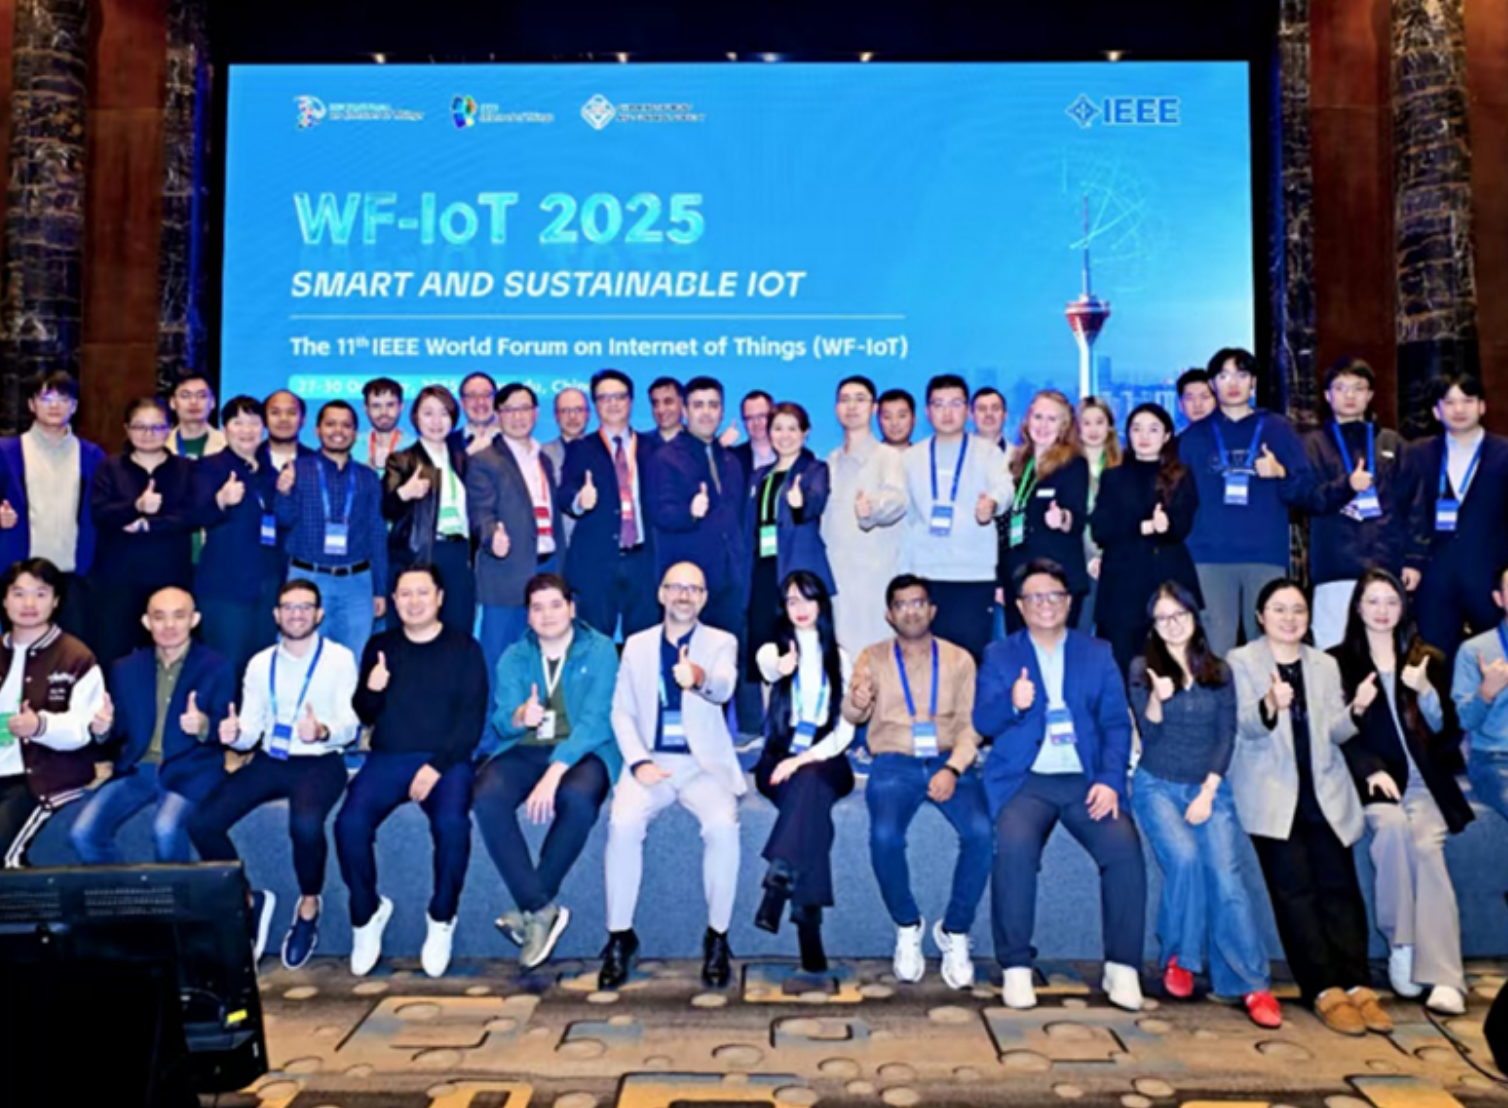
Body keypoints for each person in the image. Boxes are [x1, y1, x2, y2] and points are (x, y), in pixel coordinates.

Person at [975, 558, 1146, 1012]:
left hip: (1084, 780)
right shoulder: (1000, 654)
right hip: (1025, 780)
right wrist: (1012, 704)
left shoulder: (1098, 652)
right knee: (1014, 849)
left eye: (1054, 596)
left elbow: (1115, 724)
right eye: (1034, 597)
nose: (1045, 605)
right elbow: (982, 721)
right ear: (1019, 606)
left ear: (1069, 602)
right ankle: (1015, 966)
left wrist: (1110, 781)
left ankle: (1122, 967)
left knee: (1123, 847)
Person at [1226, 578, 1387, 1036]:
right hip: (1272, 794)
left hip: (1324, 791)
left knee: (1341, 889)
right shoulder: (1241, 661)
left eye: (1298, 610)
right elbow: (1241, 727)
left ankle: (1357, 983)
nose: (1290, 618)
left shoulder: (1324, 664)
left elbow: (1335, 731)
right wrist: (1269, 704)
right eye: (1279, 609)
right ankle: (1322, 988)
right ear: (1260, 616)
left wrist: (1356, 710)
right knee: (1295, 895)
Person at [187, 578, 360, 967]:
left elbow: (350, 724)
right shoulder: (260, 663)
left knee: (306, 824)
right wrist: (234, 734)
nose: (297, 614)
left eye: (305, 607)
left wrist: (323, 730)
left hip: (320, 759)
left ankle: (309, 907)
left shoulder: (339, 659)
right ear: (276, 614)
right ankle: (246, 900)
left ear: (319, 614)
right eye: (289, 607)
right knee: (202, 822)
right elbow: (250, 730)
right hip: (271, 758)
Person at [1128, 583, 1279, 1027]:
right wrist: (1156, 698)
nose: (1173, 625)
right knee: (1186, 858)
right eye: (1163, 618)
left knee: (1227, 879)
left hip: (1210, 786)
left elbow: (1225, 735)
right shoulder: (1142, 667)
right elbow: (1150, 736)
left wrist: (1209, 791)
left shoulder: (1220, 671)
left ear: (1195, 618)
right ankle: (1181, 956)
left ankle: (1251, 984)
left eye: (1180, 615)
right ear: (1153, 626)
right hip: (1157, 785)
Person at [339, 564, 489, 978]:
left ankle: (441, 917)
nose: (414, 601)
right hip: (388, 758)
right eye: (405, 594)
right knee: (349, 824)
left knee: (452, 826)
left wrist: (435, 767)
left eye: (423, 592)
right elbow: (364, 713)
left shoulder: (464, 648)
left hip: (446, 759)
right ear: (394, 600)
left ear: (439, 598)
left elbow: (471, 723)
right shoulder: (380, 646)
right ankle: (365, 914)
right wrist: (372, 689)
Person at [842, 574, 990, 989]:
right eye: (901, 604)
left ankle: (954, 930)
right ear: (889, 615)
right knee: (885, 836)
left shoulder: (959, 659)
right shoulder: (872, 657)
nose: (911, 611)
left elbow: (972, 727)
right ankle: (908, 925)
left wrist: (953, 769)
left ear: (932, 610)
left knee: (982, 833)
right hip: (893, 762)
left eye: (918, 602)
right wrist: (857, 702)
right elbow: (852, 714)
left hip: (947, 758)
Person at [1331, 569, 1469, 1015]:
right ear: (1358, 607)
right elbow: (1336, 735)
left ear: (1403, 607)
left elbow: (1447, 734)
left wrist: (1425, 693)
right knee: (1390, 831)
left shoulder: (1429, 658)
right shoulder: (1337, 662)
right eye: (1373, 601)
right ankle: (1403, 945)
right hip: (1376, 784)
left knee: (1427, 849)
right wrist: (1369, 767)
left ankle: (1446, 977)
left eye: (1391, 601)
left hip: (1425, 784)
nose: (1382, 611)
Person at [600, 561, 742, 990]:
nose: (684, 595)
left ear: (704, 598)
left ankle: (718, 937)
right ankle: (619, 936)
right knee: (622, 823)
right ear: (661, 594)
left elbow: (724, 685)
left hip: (702, 765)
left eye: (694, 589)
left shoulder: (722, 642)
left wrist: (698, 678)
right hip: (651, 761)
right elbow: (620, 711)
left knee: (723, 828)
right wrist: (638, 761)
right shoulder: (637, 645)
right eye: (676, 587)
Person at [473, 574, 620, 968]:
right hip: (528, 747)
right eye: (537, 608)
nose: (547, 614)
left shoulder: (601, 650)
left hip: (586, 749)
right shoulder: (514, 656)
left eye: (556, 605)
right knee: (486, 795)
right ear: (528, 616)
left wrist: (555, 772)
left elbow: (597, 720)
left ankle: (530, 908)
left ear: (571, 608)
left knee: (577, 796)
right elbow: (502, 720)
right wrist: (520, 715)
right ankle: (539, 907)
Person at [71, 586, 233, 865]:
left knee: (165, 829)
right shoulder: (126, 667)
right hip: (138, 770)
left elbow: (227, 727)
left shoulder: (216, 666)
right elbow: (119, 728)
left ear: (194, 620)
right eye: (159, 617)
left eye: (178, 616)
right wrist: (103, 729)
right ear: (146, 622)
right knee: (82, 833)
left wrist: (204, 725)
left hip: (190, 769)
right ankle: (124, 891)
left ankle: (175, 893)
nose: (169, 625)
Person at [1178, 348, 1317, 654]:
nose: (1233, 383)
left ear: (1253, 382)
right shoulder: (1193, 438)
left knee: (1268, 647)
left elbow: (1306, 491)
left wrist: (1281, 473)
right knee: (1215, 649)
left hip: (1265, 553)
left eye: (1241, 375)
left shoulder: (1278, 428)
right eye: (1224, 376)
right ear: (1212, 383)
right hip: (1208, 557)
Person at [751, 571, 855, 975]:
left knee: (809, 782)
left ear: (821, 605)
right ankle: (805, 920)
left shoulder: (840, 658)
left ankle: (780, 878)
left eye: (807, 599)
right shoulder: (773, 650)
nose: (800, 609)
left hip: (827, 756)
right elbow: (767, 668)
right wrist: (782, 666)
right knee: (812, 812)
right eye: (792, 601)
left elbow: (846, 730)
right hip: (778, 753)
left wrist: (803, 759)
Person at [0, 557, 107, 868]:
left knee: (4, 855)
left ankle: (30, 902)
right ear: (4, 600)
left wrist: (40, 726)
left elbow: (81, 732)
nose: (29, 604)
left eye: (40, 594)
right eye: (19, 594)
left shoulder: (77, 657)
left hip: (42, 778)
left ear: (56, 600)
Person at [901, 374, 1011, 662]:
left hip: (973, 574)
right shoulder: (911, 457)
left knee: (970, 660)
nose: (947, 412)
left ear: (967, 410)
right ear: (927, 411)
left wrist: (992, 503)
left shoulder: (988, 453)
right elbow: (904, 516)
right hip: (925, 574)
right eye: (939, 404)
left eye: (955, 404)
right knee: (927, 661)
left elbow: (1005, 489)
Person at [1090, 403, 1202, 676]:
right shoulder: (1113, 476)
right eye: (1137, 429)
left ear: (1167, 436)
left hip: (1166, 577)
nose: (1144, 436)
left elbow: (1183, 525)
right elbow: (1101, 529)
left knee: (1171, 665)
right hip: (1121, 584)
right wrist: (1143, 526)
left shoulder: (1181, 475)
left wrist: (1166, 526)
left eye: (1153, 429)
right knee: (1120, 664)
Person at [1403, 373, 1508, 659]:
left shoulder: (1504, 453)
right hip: (1434, 578)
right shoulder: (1417, 454)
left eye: (1467, 400)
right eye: (1449, 403)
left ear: (1482, 407)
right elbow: (1408, 513)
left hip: (1491, 577)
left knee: (1498, 656)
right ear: (1436, 411)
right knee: (1435, 658)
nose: (1459, 409)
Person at [1304, 358, 1407, 649]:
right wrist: (1346, 486)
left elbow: (1411, 505)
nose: (1350, 396)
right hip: (1335, 566)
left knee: (1386, 649)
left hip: (1386, 566)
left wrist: (1414, 560)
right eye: (1341, 388)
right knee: (1332, 651)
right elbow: (1308, 500)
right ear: (1327, 395)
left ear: (1370, 395)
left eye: (1358, 388)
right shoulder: (1311, 444)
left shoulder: (1392, 443)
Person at [275, 400, 388, 659]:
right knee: (301, 657)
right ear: (317, 430)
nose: (338, 430)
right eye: (330, 424)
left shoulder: (368, 477)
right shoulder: (298, 470)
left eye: (346, 425)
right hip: (307, 577)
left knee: (353, 661)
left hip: (357, 584)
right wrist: (284, 492)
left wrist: (379, 589)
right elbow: (284, 520)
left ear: (355, 433)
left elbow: (377, 534)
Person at [89, 397, 197, 666]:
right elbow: (100, 512)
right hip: (118, 579)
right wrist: (135, 507)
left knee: (169, 654)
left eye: (157, 427)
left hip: (169, 574)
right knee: (114, 652)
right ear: (126, 429)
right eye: (139, 426)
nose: (148, 434)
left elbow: (189, 516)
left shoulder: (186, 469)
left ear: (169, 428)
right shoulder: (109, 467)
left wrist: (147, 523)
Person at [0, 370, 106, 638]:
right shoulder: (7, 451)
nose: (55, 406)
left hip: (72, 573)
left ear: (75, 406)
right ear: (31, 404)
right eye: (46, 398)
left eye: (63, 399)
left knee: (71, 653)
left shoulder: (92, 455)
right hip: (19, 573)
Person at [468, 384, 564, 679]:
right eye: (509, 410)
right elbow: (481, 512)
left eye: (524, 409)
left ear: (535, 413)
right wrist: (491, 536)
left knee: (540, 659)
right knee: (500, 661)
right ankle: (493, 713)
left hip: (547, 567)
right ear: (498, 415)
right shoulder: (484, 460)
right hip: (507, 572)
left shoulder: (543, 458)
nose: (518, 416)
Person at [559, 369, 659, 640]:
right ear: (595, 405)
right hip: (597, 560)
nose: (613, 404)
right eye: (604, 398)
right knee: (593, 641)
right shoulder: (581, 448)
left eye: (619, 397)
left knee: (644, 642)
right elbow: (564, 494)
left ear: (631, 401)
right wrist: (579, 501)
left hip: (643, 560)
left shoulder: (652, 448)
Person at [647, 376, 749, 638]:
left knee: (729, 655)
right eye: (698, 405)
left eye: (713, 405)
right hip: (688, 586)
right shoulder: (665, 458)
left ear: (722, 411)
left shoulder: (731, 460)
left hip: (731, 580)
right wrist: (689, 513)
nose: (706, 412)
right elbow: (659, 513)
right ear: (685, 410)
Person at [745, 402, 836, 686]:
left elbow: (815, 503)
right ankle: (767, 711)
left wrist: (800, 505)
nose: (785, 436)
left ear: (805, 433)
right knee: (764, 646)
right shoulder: (760, 475)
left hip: (798, 568)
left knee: (800, 646)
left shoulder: (815, 470)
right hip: (763, 568)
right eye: (778, 428)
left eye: (792, 429)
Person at [193, 395, 283, 679]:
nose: (247, 430)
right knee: (226, 665)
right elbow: (192, 514)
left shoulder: (271, 473)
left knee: (261, 667)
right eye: (238, 423)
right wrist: (219, 500)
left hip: (268, 585)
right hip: (225, 588)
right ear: (225, 428)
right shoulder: (209, 467)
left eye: (254, 423)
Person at [823, 375, 907, 656]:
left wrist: (872, 509)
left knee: (876, 661)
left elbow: (897, 500)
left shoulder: (888, 457)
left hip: (874, 580)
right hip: (835, 578)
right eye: (844, 400)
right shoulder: (829, 462)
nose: (851, 407)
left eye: (860, 400)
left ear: (874, 408)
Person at [382, 385, 474, 633]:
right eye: (428, 413)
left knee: (458, 628)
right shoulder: (401, 459)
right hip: (420, 553)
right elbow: (386, 507)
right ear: (415, 417)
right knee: (415, 629)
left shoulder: (463, 459)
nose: (436, 421)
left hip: (459, 553)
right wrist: (404, 493)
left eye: (444, 413)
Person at [1003, 390, 1090, 632]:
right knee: (1019, 650)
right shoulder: (1018, 463)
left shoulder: (1073, 464)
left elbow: (1077, 517)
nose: (1043, 425)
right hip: (1018, 577)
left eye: (1052, 419)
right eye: (1038, 417)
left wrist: (1062, 518)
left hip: (1057, 578)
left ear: (1064, 426)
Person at [1451, 566, 1508, 882]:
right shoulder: (1475, 651)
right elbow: (1464, 720)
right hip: (1495, 760)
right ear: (1499, 598)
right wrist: (1487, 691)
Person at [1076, 396, 1119, 632]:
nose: (1093, 430)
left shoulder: (1123, 466)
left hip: (1116, 563)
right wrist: (1090, 558)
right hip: (1079, 563)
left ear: (1109, 426)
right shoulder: (1067, 467)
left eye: (1100, 422)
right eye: (1086, 423)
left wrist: (1107, 557)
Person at [543, 387, 591, 552]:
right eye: (565, 411)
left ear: (588, 414)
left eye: (578, 410)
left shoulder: (603, 451)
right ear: (556, 416)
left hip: (597, 546)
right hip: (557, 546)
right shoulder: (541, 455)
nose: (572, 417)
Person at [165, 371, 225, 459]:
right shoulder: (159, 444)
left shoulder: (228, 444)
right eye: (185, 396)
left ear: (213, 402)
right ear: (172, 402)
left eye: (201, 396)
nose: (193, 401)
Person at [356, 377, 407, 470]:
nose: (384, 412)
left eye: (390, 405)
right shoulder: (352, 446)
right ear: (365, 408)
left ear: (401, 407)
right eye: (376, 406)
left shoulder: (417, 448)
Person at [451, 371, 502, 456]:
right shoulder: (447, 444)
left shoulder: (513, 439)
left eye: (486, 395)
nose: (480, 402)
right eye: (472, 395)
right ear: (462, 403)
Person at [262, 389, 312, 474]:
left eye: (291, 413)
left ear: (303, 420)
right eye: (275, 412)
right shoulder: (249, 457)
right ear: (264, 419)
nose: (283, 419)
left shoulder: (316, 461)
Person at [731, 390, 776, 475]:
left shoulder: (793, 455)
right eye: (749, 418)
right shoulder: (732, 459)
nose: (756, 423)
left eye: (761, 416)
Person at [648, 376, 686, 445]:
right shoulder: (639, 444)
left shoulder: (700, 442)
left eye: (668, 402)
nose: (661, 410)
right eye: (655, 404)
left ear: (683, 403)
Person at [971, 387, 1008, 452]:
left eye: (995, 408)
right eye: (982, 409)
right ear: (972, 416)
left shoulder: (1017, 455)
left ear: (1005, 415)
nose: (989, 414)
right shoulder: (957, 454)